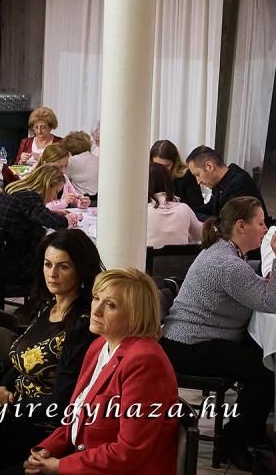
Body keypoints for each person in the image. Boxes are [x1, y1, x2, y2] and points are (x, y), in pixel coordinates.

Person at [24, 269, 179, 475]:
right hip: (88, 461)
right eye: (96, 298)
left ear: (135, 314)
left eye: (111, 305)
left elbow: (130, 451)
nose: (96, 310)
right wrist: (47, 449)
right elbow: (76, 416)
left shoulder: (144, 361)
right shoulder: (99, 346)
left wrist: (60, 466)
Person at [161, 196, 276, 470]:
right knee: (264, 371)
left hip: (196, 338)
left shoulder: (225, 252)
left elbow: (255, 286)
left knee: (260, 352)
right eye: (261, 223)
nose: (265, 228)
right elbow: (271, 301)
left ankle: (251, 429)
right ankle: (234, 441)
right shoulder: (226, 263)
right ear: (241, 226)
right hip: (189, 344)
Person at [0, 229, 103, 470]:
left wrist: (9, 407)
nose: (52, 274)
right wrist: (3, 386)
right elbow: (23, 356)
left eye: (63, 266)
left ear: (80, 270)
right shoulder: (48, 307)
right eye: (48, 264)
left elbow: (62, 401)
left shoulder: (81, 324)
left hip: (43, 425)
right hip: (18, 406)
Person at [0, 165, 80, 290]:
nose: (55, 198)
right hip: (18, 263)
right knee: (67, 263)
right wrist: (70, 219)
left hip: (6, 255)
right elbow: (55, 223)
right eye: (56, 192)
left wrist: (54, 212)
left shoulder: (19, 190)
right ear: (48, 185)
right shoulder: (29, 197)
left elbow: (35, 213)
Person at [186, 145, 270, 222]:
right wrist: (186, 210)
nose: (198, 181)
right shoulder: (219, 181)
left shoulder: (239, 184)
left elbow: (225, 224)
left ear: (209, 166)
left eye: (197, 174)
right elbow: (211, 207)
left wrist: (188, 215)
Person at [147, 162, 202, 248]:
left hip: (149, 256)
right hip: (181, 256)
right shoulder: (184, 209)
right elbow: (199, 235)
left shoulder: (142, 212)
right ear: (169, 181)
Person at [149, 139, 204, 211]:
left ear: (175, 163)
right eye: (157, 166)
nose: (161, 171)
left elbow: (197, 207)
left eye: (166, 166)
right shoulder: (148, 176)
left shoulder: (187, 176)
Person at [36, 144, 89, 211]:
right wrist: (63, 202)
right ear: (45, 163)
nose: (63, 171)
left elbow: (74, 196)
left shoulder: (64, 178)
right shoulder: (37, 180)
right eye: (58, 167)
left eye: (66, 166)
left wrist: (80, 202)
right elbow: (40, 207)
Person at [61, 131, 99, 198]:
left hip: (84, 200)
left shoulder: (71, 161)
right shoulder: (97, 159)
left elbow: (59, 177)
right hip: (99, 198)